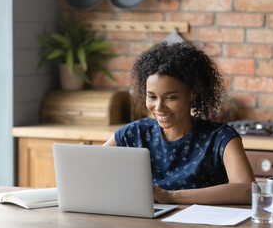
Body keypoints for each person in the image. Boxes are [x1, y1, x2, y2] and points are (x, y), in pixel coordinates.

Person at [104, 41, 255, 205]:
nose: (159, 107)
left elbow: (247, 190)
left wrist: (170, 197)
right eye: (152, 97)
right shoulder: (134, 133)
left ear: (193, 93)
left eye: (170, 97)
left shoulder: (221, 138)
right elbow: (90, 167)